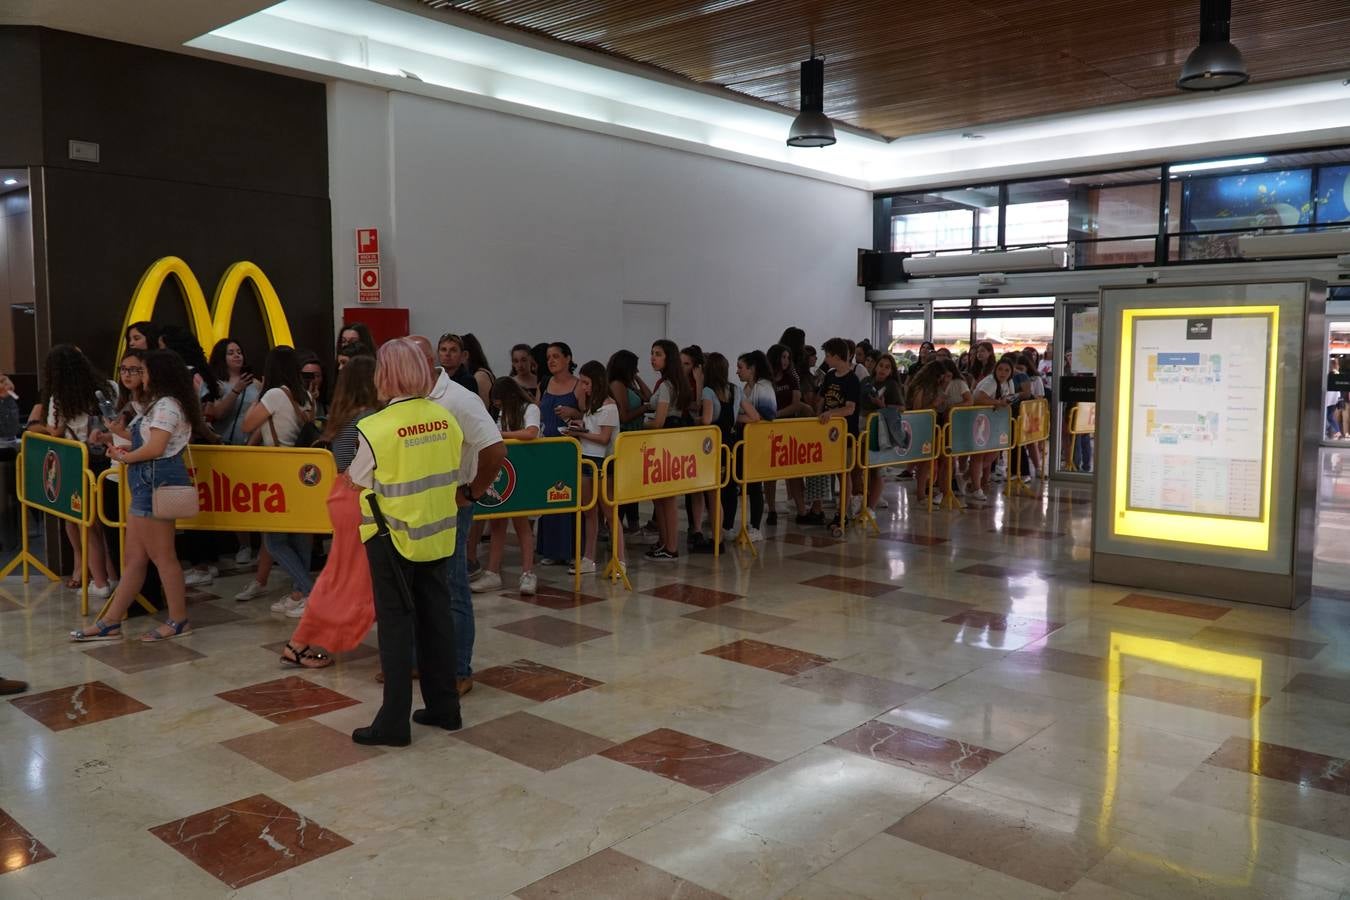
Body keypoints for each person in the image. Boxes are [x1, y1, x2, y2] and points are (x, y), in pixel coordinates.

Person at [348, 339, 463, 747]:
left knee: (396, 628)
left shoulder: (374, 428)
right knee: (437, 621)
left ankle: (393, 722)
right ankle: (445, 707)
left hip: (391, 536)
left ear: (385, 374)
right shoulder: (445, 418)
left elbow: (357, 478)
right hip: (439, 534)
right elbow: (458, 470)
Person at [71, 350, 218, 642]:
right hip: (146, 482)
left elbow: (155, 448)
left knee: (163, 557)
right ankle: (111, 620)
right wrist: (116, 439)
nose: (140, 376)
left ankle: (178, 619)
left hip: (155, 481)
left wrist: (125, 458)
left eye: (145, 371)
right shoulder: (159, 405)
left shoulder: (166, 406)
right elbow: (145, 441)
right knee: (135, 558)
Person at [413, 335, 506, 696]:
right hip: (416, 506)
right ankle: (420, 661)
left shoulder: (459, 399)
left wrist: (472, 492)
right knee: (418, 586)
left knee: (452, 586)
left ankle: (458, 669)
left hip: (453, 505)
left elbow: (496, 449)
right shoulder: (407, 399)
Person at [279, 356, 380, 668]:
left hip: (342, 495)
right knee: (347, 578)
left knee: (342, 574)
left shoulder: (343, 416)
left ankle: (302, 641)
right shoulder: (369, 417)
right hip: (360, 499)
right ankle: (299, 642)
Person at [26, 344, 115, 597]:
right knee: (108, 523)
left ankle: (100, 583)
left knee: (86, 524)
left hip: (78, 461)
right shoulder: (110, 386)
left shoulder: (59, 397)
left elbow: (54, 431)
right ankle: (115, 576)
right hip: (109, 459)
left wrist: (38, 427)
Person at [242, 346, 318, 614]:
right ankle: (300, 591)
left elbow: (247, 425)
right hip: (304, 471)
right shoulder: (306, 395)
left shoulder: (274, 395)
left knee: (274, 540)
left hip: (277, 470)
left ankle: (309, 590)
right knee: (299, 536)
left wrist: (258, 396)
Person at [476, 377, 539, 595]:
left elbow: (531, 433)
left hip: (522, 472)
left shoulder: (529, 408)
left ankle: (528, 572)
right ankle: (492, 572)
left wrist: (502, 435)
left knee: (522, 524)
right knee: (497, 524)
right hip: (503, 471)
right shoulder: (502, 414)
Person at [206, 338, 260, 565]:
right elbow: (215, 414)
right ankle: (243, 544)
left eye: (239, 351)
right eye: (231, 353)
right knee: (233, 498)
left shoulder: (256, 384)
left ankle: (259, 545)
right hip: (224, 446)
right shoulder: (215, 384)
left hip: (251, 447)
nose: (237, 356)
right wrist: (235, 391)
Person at [567, 361, 622, 575]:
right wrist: (581, 426)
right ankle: (588, 557)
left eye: (587, 383)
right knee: (588, 511)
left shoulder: (609, 406)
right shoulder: (592, 405)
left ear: (597, 382)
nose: (583, 387)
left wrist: (580, 433)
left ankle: (620, 559)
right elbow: (593, 430)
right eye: (581, 382)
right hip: (587, 460)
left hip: (602, 463)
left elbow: (603, 438)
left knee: (609, 512)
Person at [645, 339, 692, 561]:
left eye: (658, 354)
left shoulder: (666, 386)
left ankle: (671, 546)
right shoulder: (675, 383)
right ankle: (664, 541)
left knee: (668, 497)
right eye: (652, 353)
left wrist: (638, 424)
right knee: (661, 498)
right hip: (670, 442)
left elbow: (659, 422)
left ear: (668, 358)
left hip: (666, 442)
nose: (653, 358)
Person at [535, 342, 581, 566]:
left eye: (556, 356)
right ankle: (552, 549)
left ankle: (572, 549)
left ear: (568, 359)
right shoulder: (545, 383)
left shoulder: (579, 386)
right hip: (547, 448)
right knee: (550, 497)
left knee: (568, 496)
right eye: (548, 357)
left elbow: (588, 415)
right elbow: (536, 410)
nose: (551, 360)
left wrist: (574, 412)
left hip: (569, 449)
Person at [724, 351, 773, 542]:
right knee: (737, 482)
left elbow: (766, 415)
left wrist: (736, 419)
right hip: (744, 441)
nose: (737, 371)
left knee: (754, 485)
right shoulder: (745, 388)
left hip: (758, 442)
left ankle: (755, 526)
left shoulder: (764, 388)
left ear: (751, 369)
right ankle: (729, 524)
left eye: (740, 367)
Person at [817, 337, 863, 527]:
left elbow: (849, 408)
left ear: (836, 356)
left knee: (844, 474)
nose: (826, 359)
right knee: (834, 471)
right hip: (828, 435)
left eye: (828, 355)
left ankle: (842, 512)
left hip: (846, 434)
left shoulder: (852, 380)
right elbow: (822, 398)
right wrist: (818, 413)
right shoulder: (829, 375)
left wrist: (831, 413)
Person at [608, 349, 650, 533]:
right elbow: (624, 416)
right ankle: (615, 526)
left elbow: (649, 397)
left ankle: (633, 523)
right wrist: (644, 409)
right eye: (634, 368)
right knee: (623, 485)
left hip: (635, 439)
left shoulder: (629, 385)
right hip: (624, 438)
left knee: (633, 484)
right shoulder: (617, 384)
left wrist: (637, 379)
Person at [969, 357, 1017, 504]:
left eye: (1007, 370)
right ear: (995, 370)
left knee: (993, 452)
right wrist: (997, 402)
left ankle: (966, 477)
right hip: (978, 420)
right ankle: (976, 488)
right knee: (979, 455)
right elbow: (978, 398)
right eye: (1000, 369)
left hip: (993, 422)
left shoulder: (1009, 382)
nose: (1003, 373)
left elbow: (1009, 398)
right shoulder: (990, 383)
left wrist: (1005, 403)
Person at [862, 353, 905, 514]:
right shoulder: (866, 382)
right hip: (864, 426)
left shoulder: (892, 385)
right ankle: (864, 500)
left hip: (881, 430)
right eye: (881, 365)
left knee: (877, 469)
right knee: (863, 467)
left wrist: (883, 406)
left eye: (887, 367)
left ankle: (871, 507)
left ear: (891, 371)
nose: (882, 369)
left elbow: (900, 408)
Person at [460, 333, 495, 408]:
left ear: (465, 355)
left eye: (455, 351)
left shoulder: (480, 376)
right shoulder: (469, 375)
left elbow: (483, 408)